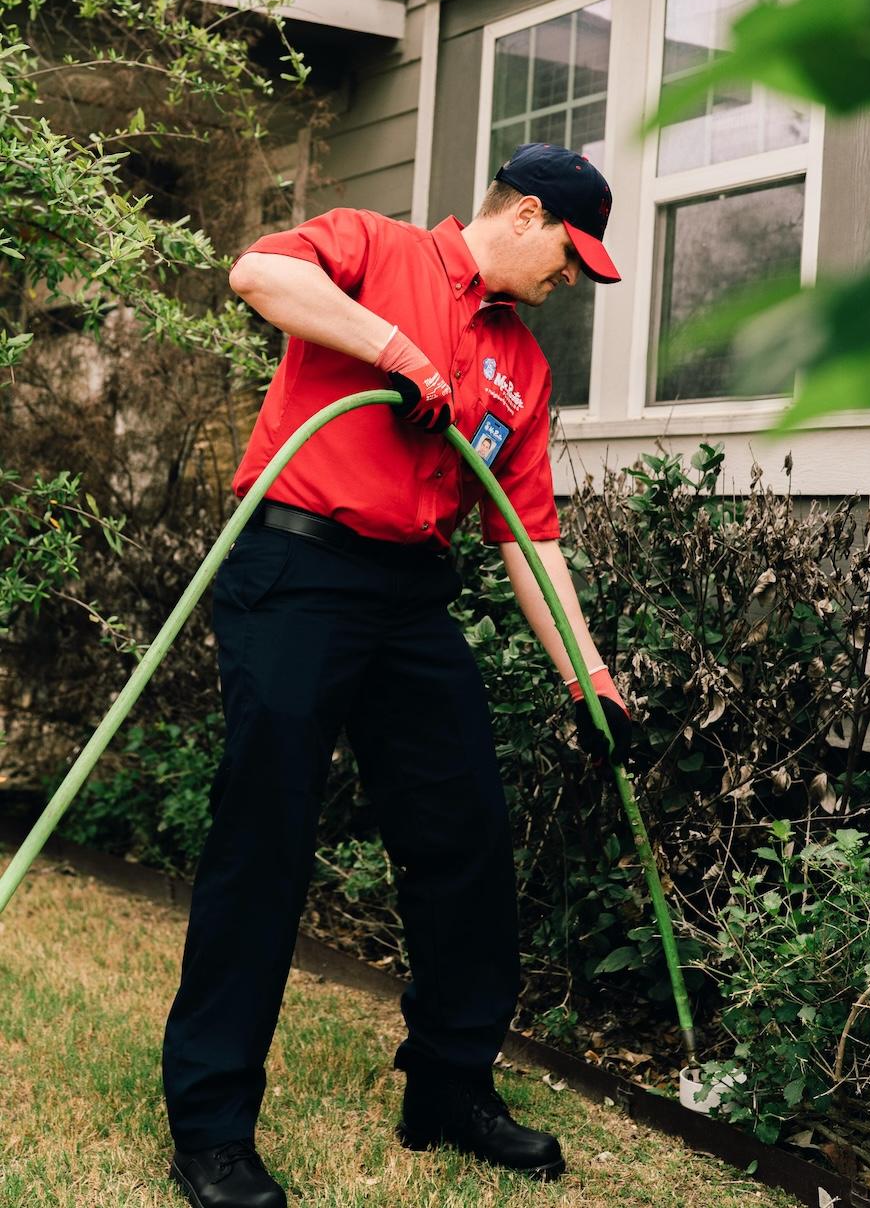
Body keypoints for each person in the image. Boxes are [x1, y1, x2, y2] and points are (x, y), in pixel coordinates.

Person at [161, 142, 632, 1208]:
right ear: (522, 215)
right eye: (570, 253)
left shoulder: (526, 364)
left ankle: (450, 1090)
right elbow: (258, 275)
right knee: (265, 840)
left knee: (464, 832)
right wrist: (398, 352)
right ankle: (211, 1126)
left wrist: (591, 682)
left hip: (411, 598)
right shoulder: (376, 249)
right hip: (297, 569)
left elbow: (530, 539)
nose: (571, 279)